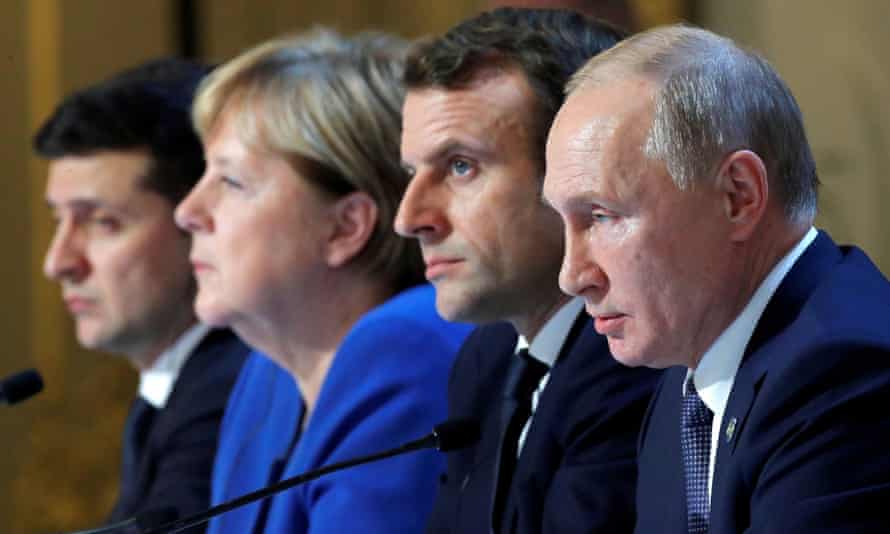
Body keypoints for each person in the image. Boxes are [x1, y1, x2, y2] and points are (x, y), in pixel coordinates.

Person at [544, 24, 890, 534]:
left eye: (602, 215)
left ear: (738, 196)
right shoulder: (683, 382)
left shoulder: (844, 372)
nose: (572, 277)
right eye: (563, 221)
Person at [174, 30, 473, 534]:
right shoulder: (268, 371)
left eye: (231, 181)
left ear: (345, 227)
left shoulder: (407, 351)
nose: (188, 212)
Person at [394, 8, 659, 534]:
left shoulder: (635, 361)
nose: (410, 218)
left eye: (461, 166)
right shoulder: (487, 358)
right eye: (410, 171)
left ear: (576, 171)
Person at [36, 59, 249, 529]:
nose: (59, 262)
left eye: (102, 222)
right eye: (58, 220)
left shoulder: (226, 392)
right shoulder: (179, 379)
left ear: (198, 221)